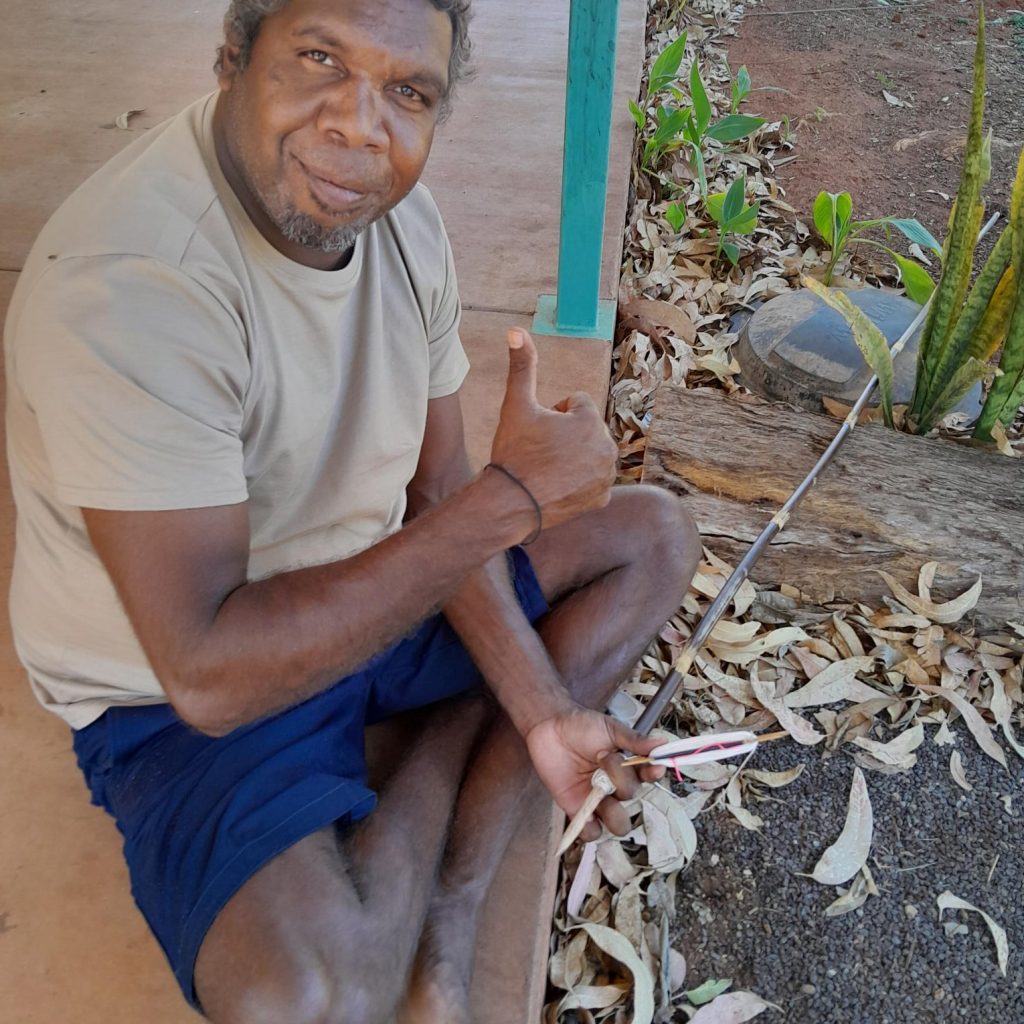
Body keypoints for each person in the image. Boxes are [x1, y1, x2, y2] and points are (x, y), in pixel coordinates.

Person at [3, 0, 701, 1020]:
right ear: (233, 58)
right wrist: (509, 505)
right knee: (314, 998)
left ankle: (454, 904)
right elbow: (208, 672)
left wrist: (542, 708)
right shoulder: (132, 288)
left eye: (405, 92)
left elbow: (433, 491)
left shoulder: (394, 219)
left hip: (378, 590)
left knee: (653, 535)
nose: (358, 124)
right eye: (318, 58)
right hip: (179, 687)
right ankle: (461, 726)